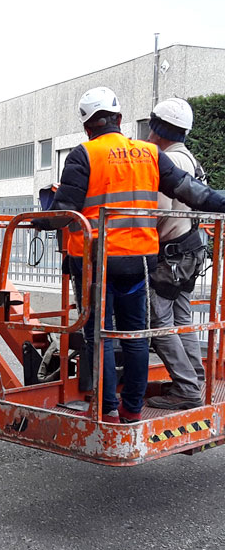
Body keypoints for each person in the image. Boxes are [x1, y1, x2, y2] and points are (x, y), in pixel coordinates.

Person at [33, 87, 225, 423]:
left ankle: (106, 407)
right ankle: (132, 409)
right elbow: (194, 193)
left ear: (87, 125)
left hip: (95, 264)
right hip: (139, 263)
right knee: (136, 335)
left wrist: (39, 219)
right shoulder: (149, 154)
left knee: (101, 334)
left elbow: (65, 211)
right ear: (119, 119)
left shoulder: (84, 155)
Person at [144, 98, 207, 410]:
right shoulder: (190, 159)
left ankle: (186, 389)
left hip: (170, 255)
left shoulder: (168, 161)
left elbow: (158, 211)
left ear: (157, 128)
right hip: (190, 249)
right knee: (181, 317)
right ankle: (194, 377)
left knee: (159, 320)